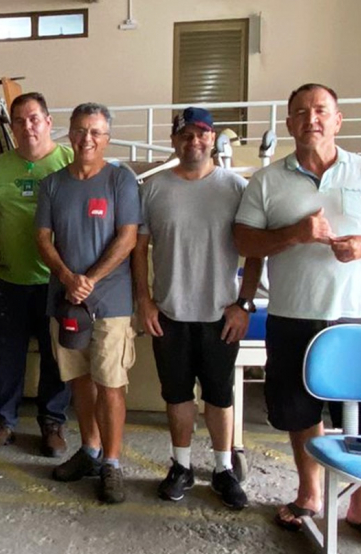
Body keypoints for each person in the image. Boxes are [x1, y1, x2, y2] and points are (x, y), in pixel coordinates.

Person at [234, 83, 361, 550]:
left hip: (356, 317)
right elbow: (244, 243)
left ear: (338, 120)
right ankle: (309, 492)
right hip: (294, 315)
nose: (310, 119)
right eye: (300, 113)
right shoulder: (267, 181)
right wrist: (294, 233)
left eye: (320, 111)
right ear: (290, 124)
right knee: (299, 411)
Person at [133, 107, 261, 510]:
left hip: (221, 313)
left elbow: (255, 249)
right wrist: (144, 300)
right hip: (169, 311)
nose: (194, 141)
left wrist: (244, 304)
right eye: (186, 135)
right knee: (176, 395)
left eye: (202, 134)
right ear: (174, 140)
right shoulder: (153, 189)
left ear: (212, 139)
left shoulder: (236, 188)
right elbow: (138, 249)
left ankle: (223, 469)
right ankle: (182, 465)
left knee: (220, 396)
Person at [35, 103, 140, 504]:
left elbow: (128, 238)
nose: (87, 139)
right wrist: (67, 278)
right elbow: (43, 239)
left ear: (107, 138)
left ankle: (112, 463)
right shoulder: (53, 184)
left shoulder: (120, 181)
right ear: (69, 135)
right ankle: (91, 451)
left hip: (110, 302)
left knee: (110, 383)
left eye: (96, 132)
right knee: (78, 379)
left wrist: (89, 280)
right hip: (65, 301)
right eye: (80, 131)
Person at [0, 92, 73, 457]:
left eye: (34, 119)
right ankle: (1, 422)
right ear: (12, 127)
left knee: (55, 356)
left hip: (55, 281)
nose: (27, 126)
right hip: (10, 280)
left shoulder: (69, 162)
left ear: (48, 122)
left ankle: (52, 422)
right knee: (5, 357)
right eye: (19, 121)